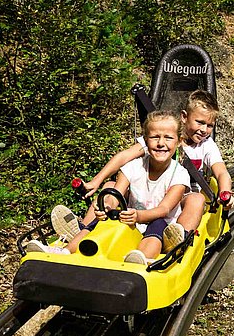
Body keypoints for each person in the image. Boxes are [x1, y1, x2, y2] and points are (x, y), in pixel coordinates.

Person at [50, 89, 234, 253]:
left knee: (197, 198)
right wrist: (96, 181)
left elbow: (222, 172)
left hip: (179, 198)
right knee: (111, 185)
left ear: (175, 141)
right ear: (184, 117)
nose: (204, 130)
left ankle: (176, 238)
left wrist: (225, 193)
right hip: (149, 194)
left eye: (209, 126)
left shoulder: (206, 146)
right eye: (200, 122)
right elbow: (123, 157)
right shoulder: (159, 138)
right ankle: (85, 227)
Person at [27, 110, 190, 264]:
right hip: (130, 220)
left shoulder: (179, 174)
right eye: (155, 137)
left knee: (158, 224)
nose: (161, 143)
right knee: (100, 220)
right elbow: (115, 194)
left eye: (168, 138)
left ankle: (141, 259)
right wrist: (106, 206)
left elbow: (164, 209)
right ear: (145, 141)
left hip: (157, 222)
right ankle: (66, 251)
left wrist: (138, 216)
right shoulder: (133, 167)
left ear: (179, 141)